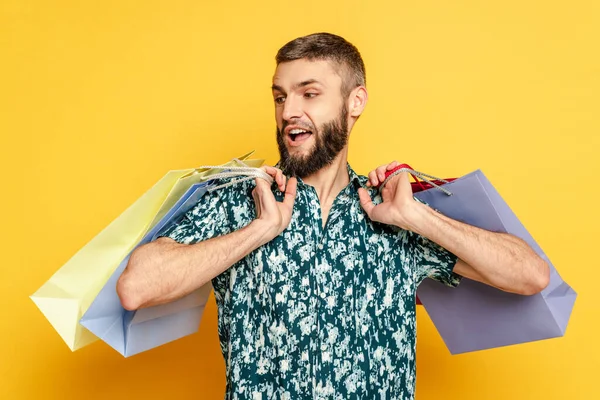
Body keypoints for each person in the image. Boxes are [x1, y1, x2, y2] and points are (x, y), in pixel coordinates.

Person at [116, 33, 550, 399]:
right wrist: (259, 229)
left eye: (310, 93)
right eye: (280, 97)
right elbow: (136, 287)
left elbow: (530, 275)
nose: (288, 112)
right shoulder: (244, 199)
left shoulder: (392, 210)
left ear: (354, 101)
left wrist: (418, 218)